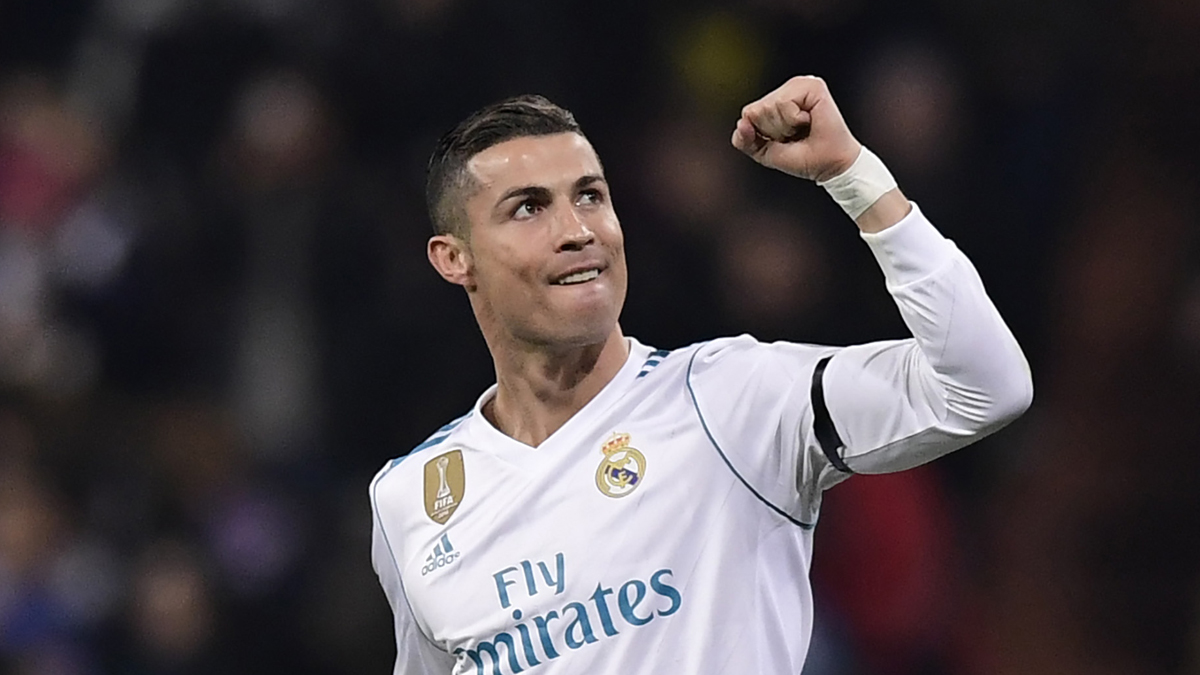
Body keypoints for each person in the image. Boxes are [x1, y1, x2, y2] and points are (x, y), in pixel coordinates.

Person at [369, 75, 1032, 675]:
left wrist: (854, 176)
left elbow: (984, 386)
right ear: (454, 258)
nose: (577, 230)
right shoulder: (409, 501)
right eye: (528, 208)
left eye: (590, 196)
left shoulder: (730, 397)